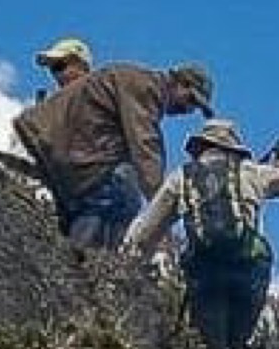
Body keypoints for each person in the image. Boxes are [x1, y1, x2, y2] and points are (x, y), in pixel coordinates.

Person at [124, 120, 279, 349]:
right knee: (239, 341)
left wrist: (128, 263)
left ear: (201, 147)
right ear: (234, 149)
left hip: (204, 269)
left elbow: (145, 232)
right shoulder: (253, 173)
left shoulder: (182, 177)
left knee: (212, 345)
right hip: (248, 268)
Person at [12, 60, 215, 248]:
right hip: (63, 145)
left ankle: (74, 250)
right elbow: (145, 146)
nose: (188, 109)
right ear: (180, 83)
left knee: (96, 196)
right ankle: (81, 260)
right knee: (122, 196)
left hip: (63, 144)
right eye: (190, 100)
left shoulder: (138, 81)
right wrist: (161, 205)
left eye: (194, 107)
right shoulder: (146, 87)